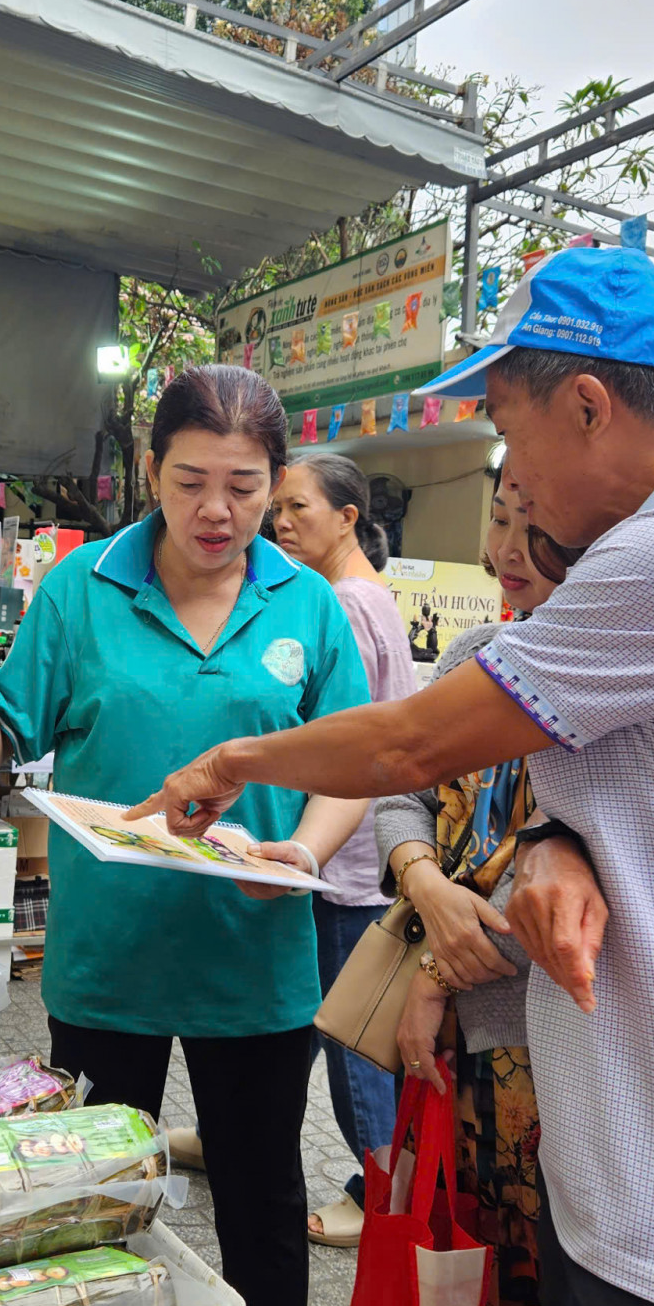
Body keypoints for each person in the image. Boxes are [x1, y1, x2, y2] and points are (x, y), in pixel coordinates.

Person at [126, 249, 654, 1306]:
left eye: (507, 430)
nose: (508, 474)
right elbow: (635, 787)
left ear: (586, 404)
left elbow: (413, 741)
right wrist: (554, 840)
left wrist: (232, 758)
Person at [0, 366, 374, 1306]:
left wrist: (302, 850)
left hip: (252, 961)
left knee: (260, 1202)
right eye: (190, 481)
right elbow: (7, 706)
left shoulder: (309, 605)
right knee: (90, 1202)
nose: (216, 511)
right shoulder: (84, 587)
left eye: (245, 487)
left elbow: (352, 763)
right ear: (150, 471)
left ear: (277, 480)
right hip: (109, 956)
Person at [382, 464, 573, 1306]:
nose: (506, 551)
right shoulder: (476, 655)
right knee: (449, 1263)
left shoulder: (609, 685)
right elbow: (400, 792)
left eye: (534, 527)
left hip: (544, 1049)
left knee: (538, 1294)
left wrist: (437, 971)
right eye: (499, 519)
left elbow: (569, 870)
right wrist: (422, 879)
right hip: (443, 1049)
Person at [271, 451, 417, 1249]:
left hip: (347, 863)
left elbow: (339, 740)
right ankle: (249, 1141)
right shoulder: (359, 594)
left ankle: (380, 1191)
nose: (282, 523)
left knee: (353, 1044)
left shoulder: (347, 603)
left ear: (348, 517)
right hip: (343, 859)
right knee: (302, 1024)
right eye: (279, 511)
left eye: (298, 509)